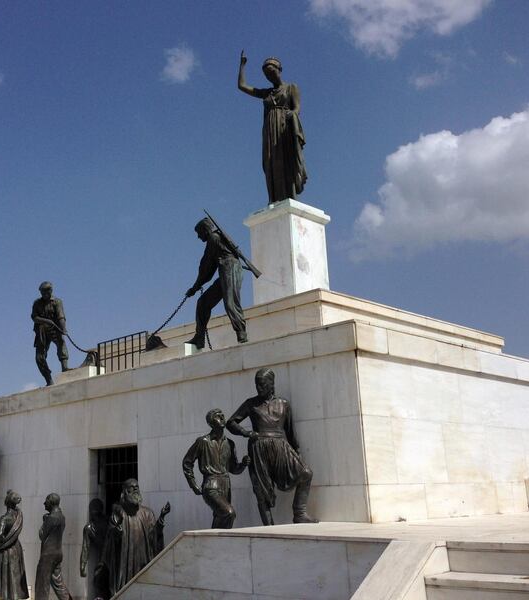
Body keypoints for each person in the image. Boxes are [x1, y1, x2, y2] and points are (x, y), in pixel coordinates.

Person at [227, 368, 318, 526]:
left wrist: (297, 451)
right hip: (258, 448)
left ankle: (300, 513)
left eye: (262, 384)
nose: (259, 388)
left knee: (306, 473)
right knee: (261, 490)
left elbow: (290, 431)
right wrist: (245, 433)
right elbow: (231, 422)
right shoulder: (251, 403)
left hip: (281, 446)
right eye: (257, 384)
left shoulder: (284, 404)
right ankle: (269, 526)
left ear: (271, 384)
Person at [237, 51, 307, 205]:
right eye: (267, 75)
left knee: (286, 160)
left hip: (284, 128)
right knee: (271, 162)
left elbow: (297, 109)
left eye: (272, 72)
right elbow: (242, 86)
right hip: (269, 130)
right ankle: (274, 198)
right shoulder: (266, 93)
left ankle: (291, 195)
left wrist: (291, 115)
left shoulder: (291, 88)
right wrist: (242, 65)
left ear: (280, 70)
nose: (270, 76)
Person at [98, 479, 170, 596]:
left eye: (137, 487)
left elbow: (154, 536)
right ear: (125, 492)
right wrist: (117, 532)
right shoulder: (118, 513)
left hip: (143, 559)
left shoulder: (147, 513)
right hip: (124, 562)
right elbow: (110, 540)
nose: (136, 489)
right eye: (132, 487)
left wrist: (161, 518)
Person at [183, 408, 250, 529]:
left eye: (222, 415)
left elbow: (234, 469)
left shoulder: (230, 443)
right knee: (229, 513)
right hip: (210, 484)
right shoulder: (203, 442)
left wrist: (243, 464)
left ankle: (215, 544)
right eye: (217, 416)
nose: (222, 418)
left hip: (226, 484)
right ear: (210, 423)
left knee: (220, 517)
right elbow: (187, 462)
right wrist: (193, 485)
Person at [186, 218, 247, 349]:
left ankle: (241, 333)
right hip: (224, 270)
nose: (198, 237)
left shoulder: (213, 238)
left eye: (199, 233)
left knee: (230, 303)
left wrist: (194, 287)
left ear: (205, 230)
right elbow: (209, 269)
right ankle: (199, 338)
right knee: (203, 303)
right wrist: (196, 287)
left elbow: (206, 266)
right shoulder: (214, 239)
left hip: (230, 268)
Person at [31, 281, 71, 386]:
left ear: (50, 291)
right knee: (39, 357)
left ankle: (65, 367)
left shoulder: (57, 302)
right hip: (41, 331)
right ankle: (48, 380)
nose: (43, 294)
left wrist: (63, 328)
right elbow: (34, 317)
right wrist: (46, 321)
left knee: (61, 344)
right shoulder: (37, 303)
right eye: (42, 292)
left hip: (55, 329)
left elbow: (61, 316)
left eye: (45, 291)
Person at [0, 490, 29, 600]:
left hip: (6, 550)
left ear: (6, 503)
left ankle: (6, 596)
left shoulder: (4, 518)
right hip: (16, 547)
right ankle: (17, 594)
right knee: (15, 572)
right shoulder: (19, 515)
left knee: (7, 573)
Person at [35, 493, 71, 600]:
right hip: (58, 552)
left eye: (46, 501)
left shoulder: (50, 518)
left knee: (42, 583)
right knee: (58, 582)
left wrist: (44, 522)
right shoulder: (62, 517)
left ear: (51, 502)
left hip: (48, 555)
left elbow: (42, 535)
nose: (44, 503)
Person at [80, 499, 109, 600]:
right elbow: (85, 548)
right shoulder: (89, 527)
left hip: (109, 557)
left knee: (100, 580)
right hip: (104, 558)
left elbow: (85, 549)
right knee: (100, 580)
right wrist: (82, 566)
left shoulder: (108, 522)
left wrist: (82, 567)